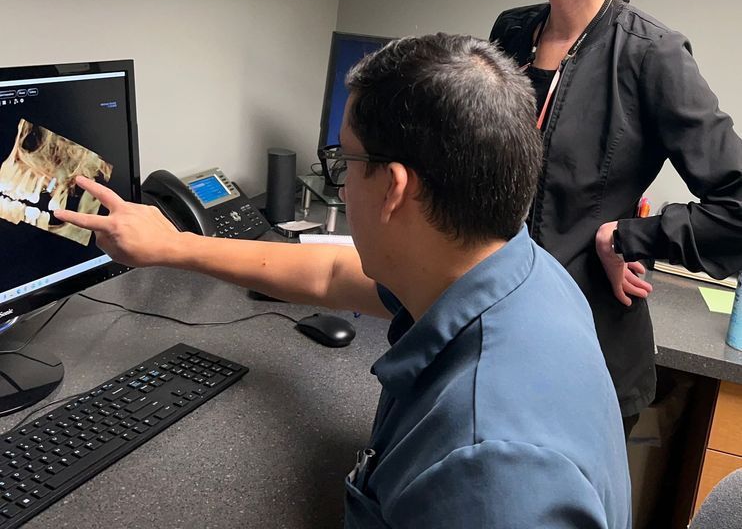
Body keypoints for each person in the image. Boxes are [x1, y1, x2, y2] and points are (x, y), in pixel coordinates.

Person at [58, 34, 631, 529]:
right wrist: (175, 245)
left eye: (346, 164)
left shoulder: (490, 475)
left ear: (394, 188)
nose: (342, 183)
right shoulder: (520, 273)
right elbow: (331, 272)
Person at [490, 0, 742, 435]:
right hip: (489, 346)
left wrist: (627, 238)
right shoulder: (510, 33)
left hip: (584, 368)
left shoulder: (650, 56)